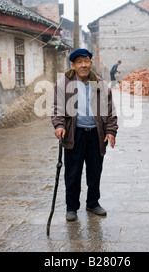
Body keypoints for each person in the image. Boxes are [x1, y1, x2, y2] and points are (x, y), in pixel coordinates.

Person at [51, 49, 119, 222]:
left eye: (86, 61)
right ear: (72, 65)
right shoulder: (64, 83)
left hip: (96, 135)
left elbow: (110, 110)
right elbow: (57, 108)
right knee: (72, 173)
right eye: (79, 62)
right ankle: (71, 207)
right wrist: (59, 125)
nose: (83, 65)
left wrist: (111, 131)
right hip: (74, 134)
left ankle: (93, 203)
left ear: (90, 63)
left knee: (95, 171)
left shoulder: (101, 84)